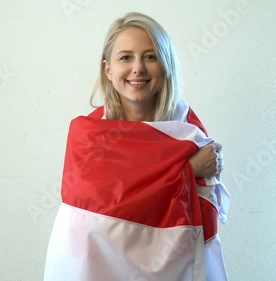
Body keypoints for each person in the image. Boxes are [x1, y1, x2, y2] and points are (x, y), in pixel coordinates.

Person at [44, 12, 230, 281]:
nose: (138, 68)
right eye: (125, 57)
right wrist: (187, 169)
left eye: (150, 56)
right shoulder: (89, 135)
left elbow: (198, 208)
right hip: (96, 265)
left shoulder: (187, 130)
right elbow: (93, 214)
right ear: (108, 69)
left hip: (171, 264)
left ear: (165, 65)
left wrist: (190, 170)